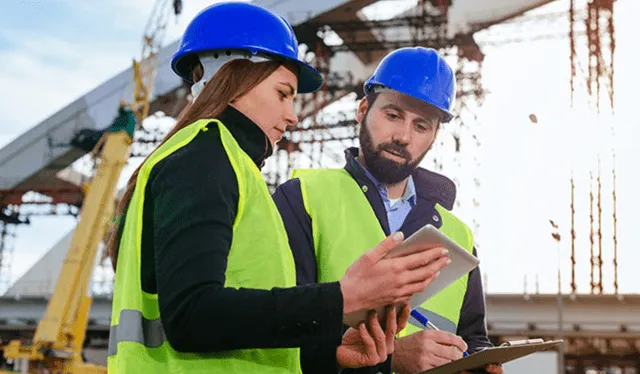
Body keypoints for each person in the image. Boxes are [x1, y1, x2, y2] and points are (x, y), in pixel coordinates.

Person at [105, 4, 452, 374]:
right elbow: (193, 315)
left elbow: (235, 328)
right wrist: (343, 297)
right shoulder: (205, 156)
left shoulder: (222, 163)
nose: (293, 115)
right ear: (233, 77)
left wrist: (329, 351)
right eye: (283, 93)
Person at [273, 47, 503, 374]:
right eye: (393, 115)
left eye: (421, 126)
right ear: (363, 109)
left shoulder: (458, 235)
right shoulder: (304, 198)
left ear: (435, 135)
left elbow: (471, 336)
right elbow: (276, 327)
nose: (402, 136)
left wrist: (480, 361)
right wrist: (390, 360)